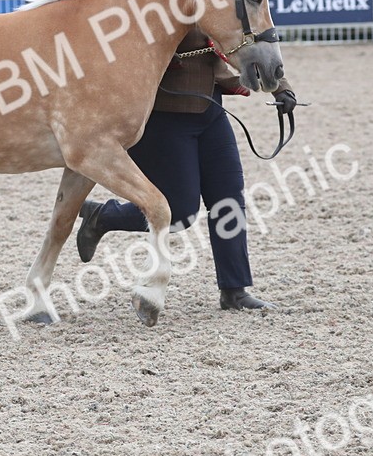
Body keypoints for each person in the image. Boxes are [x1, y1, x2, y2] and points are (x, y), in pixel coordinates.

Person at [75, 26, 296, 311]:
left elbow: (241, 39)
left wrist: (280, 85)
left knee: (229, 199)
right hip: (163, 116)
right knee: (179, 212)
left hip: (210, 108)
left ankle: (234, 290)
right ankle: (104, 215)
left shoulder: (213, 0)